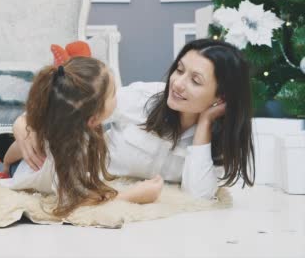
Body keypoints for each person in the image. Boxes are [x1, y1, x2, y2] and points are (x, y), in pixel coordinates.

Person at [14, 39, 255, 200]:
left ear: (220, 97)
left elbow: (199, 197)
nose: (178, 84)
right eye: (179, 70)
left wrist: (205, 125)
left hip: (99, 188)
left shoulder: (221, 139)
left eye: (196, 80)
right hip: (76, 175)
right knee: (28, 153)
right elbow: (74, 106)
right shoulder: (144, 99)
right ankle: (0, 163)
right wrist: (23, 123)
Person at [0, 55, 163, 218]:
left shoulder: (61, 124)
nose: (118, 97)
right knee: (3, 171)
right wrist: (133, 195)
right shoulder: (68, 151)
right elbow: (74, 201)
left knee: (14, 160)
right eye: (113, 94)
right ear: (93, 119)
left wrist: (7, 161)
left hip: (18, 163)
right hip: (19, 171)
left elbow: (15, 152)